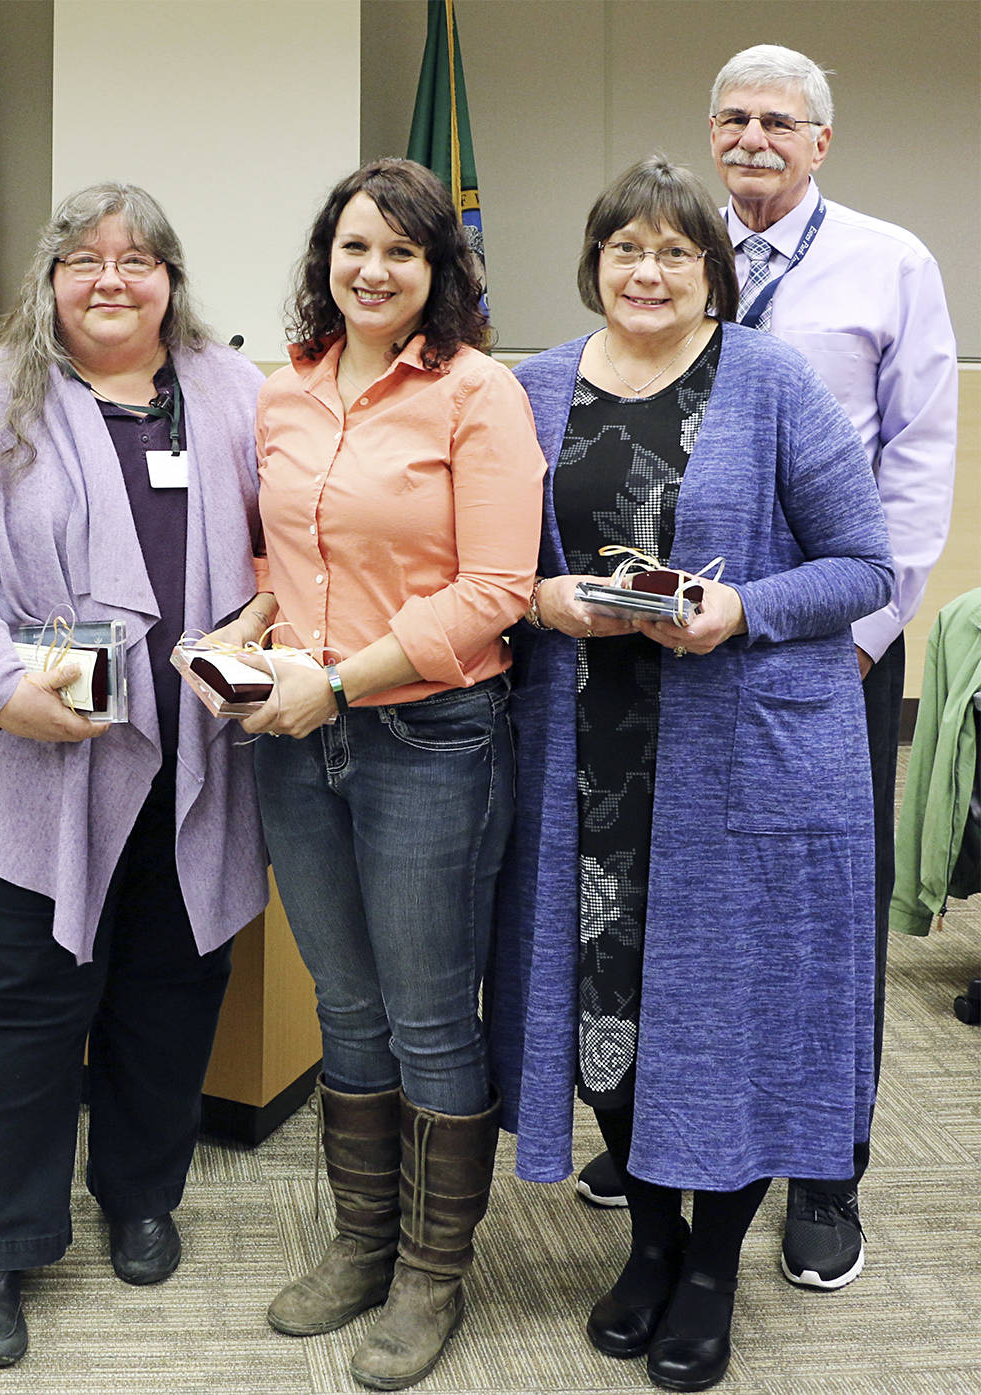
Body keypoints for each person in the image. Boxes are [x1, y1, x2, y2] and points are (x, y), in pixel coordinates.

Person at [489, 156, 893, 1392]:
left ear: (711, 270)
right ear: (594, 262)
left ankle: (711, 1264)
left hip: (748, 759)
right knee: (602, 1005)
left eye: (673, 251)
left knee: (730, 1016)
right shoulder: (535, 385)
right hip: (588, 756)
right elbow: (498, 560)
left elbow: (863, 567)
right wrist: (546, 595)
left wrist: (740, 608)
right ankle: (650, 1243)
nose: (647, 272)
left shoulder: (772, 380)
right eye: (625, 249)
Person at [574, 45, 960, 1295]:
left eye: (777, 122)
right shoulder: (663, 251)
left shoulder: (888, 262)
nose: (751, 137)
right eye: (731, 117)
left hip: (829, 644)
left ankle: (825, 1174)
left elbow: (916, 464)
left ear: (820, 141)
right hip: (653, 665)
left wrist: (852, 637)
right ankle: (667, 1130)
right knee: (671, 912)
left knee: (814, 926)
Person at [0, 184, 268, 1369]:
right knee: (18, 1007)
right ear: (48, 279)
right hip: (31, 769)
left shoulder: (236, 393)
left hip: (197, 755)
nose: (112, 279)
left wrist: (262, 622)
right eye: (86, 260)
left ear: (173, 279)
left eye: (139, 259)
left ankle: (140, 1194)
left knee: (172, 984)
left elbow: (300, 536)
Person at [234, 158, 544, 1392]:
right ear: (324, 257)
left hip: (429, 735)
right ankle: (362, 1246)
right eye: (354, 247)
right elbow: (283, 553)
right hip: (294, 731)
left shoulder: (477, 394)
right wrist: (251, 627)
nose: (372, 271)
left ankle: (431, 1275)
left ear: (439, 274)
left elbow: (497, 590)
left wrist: (343, 679)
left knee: (425, 1017)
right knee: (344, 1007)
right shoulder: (287, 390)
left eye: (401, 255)